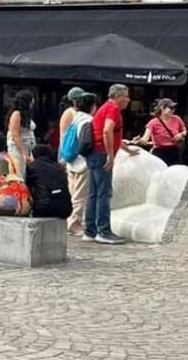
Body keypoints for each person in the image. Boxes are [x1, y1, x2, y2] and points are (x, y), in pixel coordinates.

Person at [86, 84, 138, 244]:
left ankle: (90, 230)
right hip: (102, 154)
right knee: (104, 194)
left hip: (94, 154)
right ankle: (104, 230)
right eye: (126, 96)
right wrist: (110, 155)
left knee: (93, 193)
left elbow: (113, 134)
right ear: (118, 96)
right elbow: (107, 130)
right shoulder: (113, 109)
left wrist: (127, 150)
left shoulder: (104, 108)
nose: (128, 100)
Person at [60, 92, 95, 237]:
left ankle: (68, 220)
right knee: (80, 196)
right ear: (91, 106)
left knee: (72, 193)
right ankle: (73, 224)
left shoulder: (76, 118)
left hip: (71, 161)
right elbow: (86, 143)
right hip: (82, 163)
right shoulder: (88, 120)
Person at [25, 143, 71, 220]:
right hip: (65, 208)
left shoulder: (34, 167)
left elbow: (28, 187)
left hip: (44, 207)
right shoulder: (58, 167)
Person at [139, 99, 186, 165]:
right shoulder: (153, 122)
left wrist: (181, 134)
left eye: (174, 108)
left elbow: (184, 130)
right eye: (171, 108)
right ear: (162, 108)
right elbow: (145, 138)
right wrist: (139, 141)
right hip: (159, 151)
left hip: (174, 150)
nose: (173, 110)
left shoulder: (177, 118)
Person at [6, 90, 36, 174]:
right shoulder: (16, 114)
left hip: (28, 148)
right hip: (18, 149)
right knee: (20, 172)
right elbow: (15, 134)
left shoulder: (26, 114)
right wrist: (24, 153)